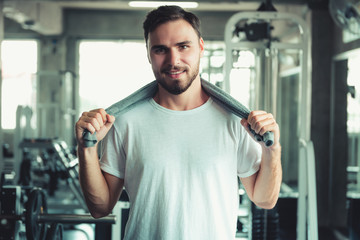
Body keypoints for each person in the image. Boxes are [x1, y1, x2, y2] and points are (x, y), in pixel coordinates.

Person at [75, 5, 282, 240]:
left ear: (201, 47)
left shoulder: (235, 120)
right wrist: (86, 148)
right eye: (161, 49)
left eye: (183, 46)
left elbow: (265, 199)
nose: (173, 60)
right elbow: (100, 208)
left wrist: (272, 149)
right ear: (149, 54)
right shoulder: (125, 121)